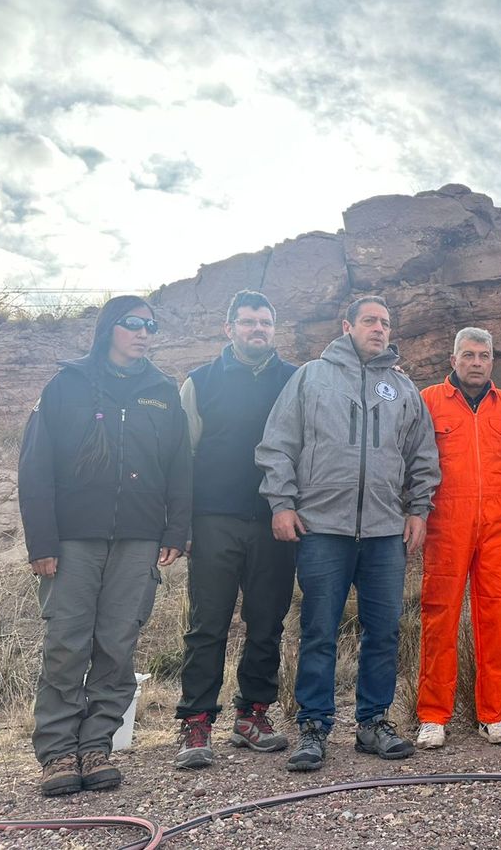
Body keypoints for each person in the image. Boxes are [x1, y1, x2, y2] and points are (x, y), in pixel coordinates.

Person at [256, 296, 440, 770]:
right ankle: (313, 726)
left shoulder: (402, 388)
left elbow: (422, 457)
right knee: (319, 630)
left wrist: (418, 510)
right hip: (322, 527)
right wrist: (282, 503)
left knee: (384, 631)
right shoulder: (311, 377)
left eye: (385, 322)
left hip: (384, 532)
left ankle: (373, 722)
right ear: (347, 326)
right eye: (369, 321)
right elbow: (277, 444)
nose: (379, 328)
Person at [18, 296, 190, 796]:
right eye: (133, 324)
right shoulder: (64, 386)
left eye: (151, 327)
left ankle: (96, 747)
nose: (144, 333)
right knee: (67, 645)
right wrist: (41, 541)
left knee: (117, 646)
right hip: (72, 541)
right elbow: (35, 468)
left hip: (139, 539)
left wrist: (176, 530)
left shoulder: (162, 392)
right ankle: (56, 753)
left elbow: (180, 467)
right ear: (108, 329)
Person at [173, 290, 298, 769]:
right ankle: (196, 721)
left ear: (274, 329)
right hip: (214, 520)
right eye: (248, 322)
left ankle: (253, 716)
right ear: (230, 329)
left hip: (276, 520)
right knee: (208, 625)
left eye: (265, 322)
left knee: (267, 622)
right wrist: (180, 524)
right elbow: (181, 459)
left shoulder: (295, 379)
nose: (257, 330)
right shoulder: (200, 382)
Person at [415, 327, 501, 749]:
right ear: (453, 360)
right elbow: (413, 459)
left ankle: (493, 715)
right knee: (439, 616)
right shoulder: (429, 401)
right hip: (446, 522)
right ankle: (432, 716)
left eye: (484, 355)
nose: (477, 362)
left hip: (498, 522)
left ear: (492, 361)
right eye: (469, 354)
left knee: (498, 618)